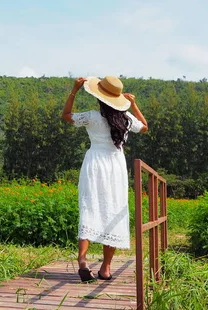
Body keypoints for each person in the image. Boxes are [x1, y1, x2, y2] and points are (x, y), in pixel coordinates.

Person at [62, 76, 148, 283]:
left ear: (99, 98)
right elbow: (144, 126)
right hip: (115, 166)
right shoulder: (126, 119)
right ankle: (106, 269)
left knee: (90, 207)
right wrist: (134, 105)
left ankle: (82, 261)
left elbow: (66, 115)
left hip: (94, 163)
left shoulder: (92, 117)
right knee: (113, 209)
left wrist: (74, 90)